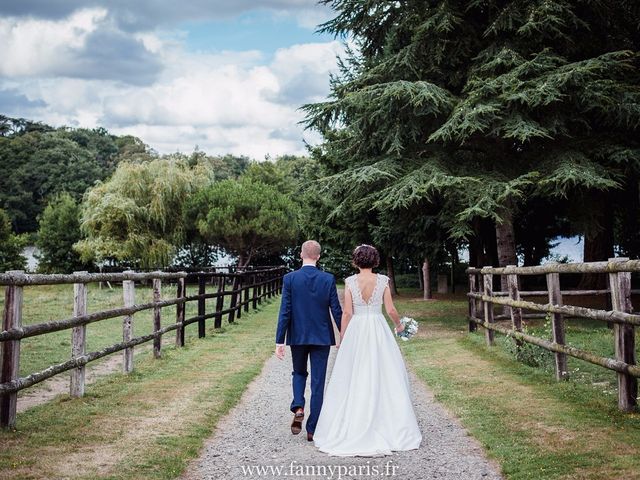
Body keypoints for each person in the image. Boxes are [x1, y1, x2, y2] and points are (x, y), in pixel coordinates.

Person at [313, 244, 422, 456]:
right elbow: (390, 309)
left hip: (357, 329)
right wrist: (399, 326)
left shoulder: (350, 282)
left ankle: (353, 422)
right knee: (385, 372)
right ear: (375, 261)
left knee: (354, 373)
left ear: (356, 261)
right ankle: (389, 424)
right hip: (378, 328)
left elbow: (347, 313)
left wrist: (343, 338)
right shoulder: (382, 281)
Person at [275, 240, 343, 442]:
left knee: (298, 372)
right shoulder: (328, 279)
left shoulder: (290, 279)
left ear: (301, 254)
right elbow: (336, 310)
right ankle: (312, 429)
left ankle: (298, 406)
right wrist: (344, 334)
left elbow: (285, 311)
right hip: (322, 337)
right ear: (318, 256)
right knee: (318, 382)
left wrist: (280, 340)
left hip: (298, 336)